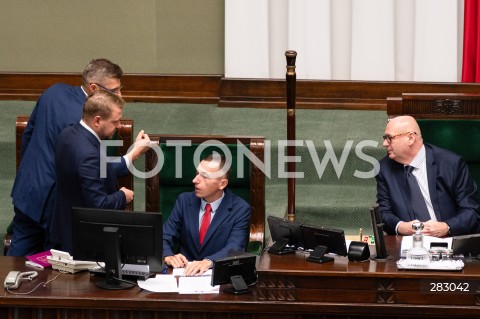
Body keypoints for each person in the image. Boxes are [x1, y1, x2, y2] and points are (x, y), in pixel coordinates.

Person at [8, 58, 124, 256]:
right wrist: (130, 160)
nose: (120, 96)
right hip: (55, 206)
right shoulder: (84, 122)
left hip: (28, 190)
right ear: (94, 88)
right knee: (51, 270)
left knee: (14, 261)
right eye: (114, 91)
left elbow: (29, 135)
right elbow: (92, 169)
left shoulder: (53, 91)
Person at [51, 90, 150, 253]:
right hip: (84, 240)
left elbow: (98, 170)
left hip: (65, 227)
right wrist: (122, 196)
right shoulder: (89, 154)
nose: (119, 126)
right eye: (115, 122)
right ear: (97, 120)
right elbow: (98, 206)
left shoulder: (68, 134)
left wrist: (133, 153)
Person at [376, 115, 480, 237]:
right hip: (409, 245)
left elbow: (472, 212)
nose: (384, 143)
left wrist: (447, 227)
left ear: (410, 138)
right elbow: (383, 213)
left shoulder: (451, 164)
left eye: (389, 138)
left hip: (449, 241)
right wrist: (401, 227)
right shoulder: (384, 168)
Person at [163, 154, 251, 276]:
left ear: (222, 184)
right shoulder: (184, 201)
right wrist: (167, 255)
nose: (195, 180)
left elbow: (235, 247)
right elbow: (165, 235)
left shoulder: (240, 209)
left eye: (204, 176)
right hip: (184, 274)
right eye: (197, 173)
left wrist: (209, 261)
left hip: (218, 276)